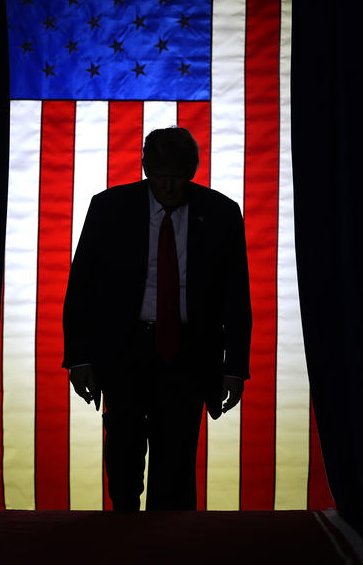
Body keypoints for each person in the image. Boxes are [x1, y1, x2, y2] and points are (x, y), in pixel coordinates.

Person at [62, 126, 251, 510]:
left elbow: (236, 296)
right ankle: (124, 534)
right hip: (124, 351)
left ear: (193, 172)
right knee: (123, 450)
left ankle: (169, 545)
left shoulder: (221, 214)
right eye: (161, 175)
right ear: (145, 167)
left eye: (179, 177)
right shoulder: (109, 208)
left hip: (188, 354)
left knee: (176, 461)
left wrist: (235, 367)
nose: (169, 186)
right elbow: (82, 285)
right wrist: (79, 357)